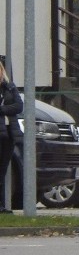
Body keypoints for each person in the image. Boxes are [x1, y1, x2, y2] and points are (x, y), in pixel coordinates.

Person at [0, 60, 23, 213]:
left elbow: (18, 106)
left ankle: (2, 206)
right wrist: (7, 109)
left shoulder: (9, 87)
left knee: (2, 170)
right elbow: (12, 107)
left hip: (8, 134)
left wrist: (2, 109)